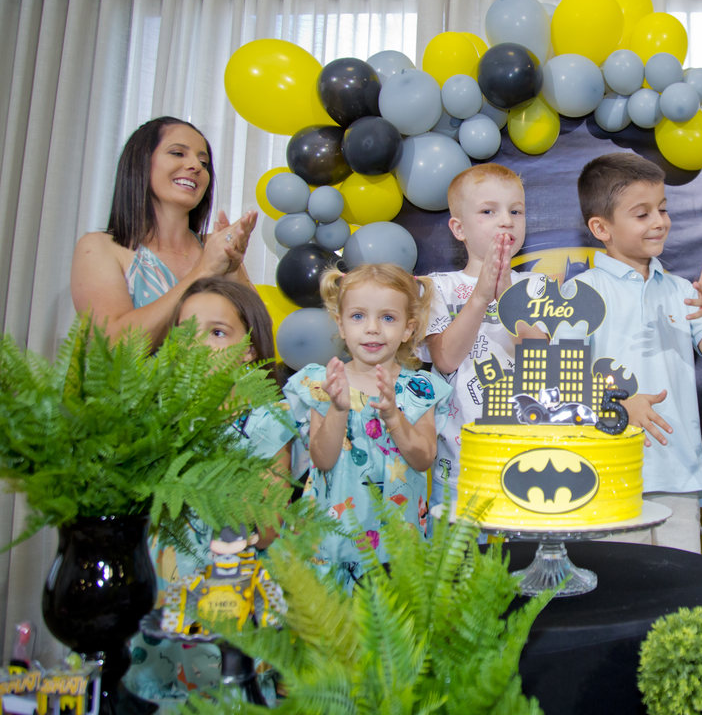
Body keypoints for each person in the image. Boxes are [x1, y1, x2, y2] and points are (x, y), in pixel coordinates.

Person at [126, 277, 293, 701]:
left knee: (224, 696)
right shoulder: (160, 415)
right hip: (164, 589)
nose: (198, 345)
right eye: (186, 333)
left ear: (249, 349)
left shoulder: (267, 419)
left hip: (228, 594)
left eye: (217, 333)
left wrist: (217, 477)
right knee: (155, 692)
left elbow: (268, 527)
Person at [561, 153, 702, 553]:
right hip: (610, 474)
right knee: (624, 580)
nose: (659, 221)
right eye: (642, 214)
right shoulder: (580, 293)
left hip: (678, 475)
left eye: (663, 209)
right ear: (601, 228)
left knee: (681, 582)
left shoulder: (681, 290)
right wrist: (618, 402)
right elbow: (563, 379)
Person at [284, 264, 451, 588]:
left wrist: (394, 417)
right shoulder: (325, 383)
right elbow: (322, 459)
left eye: (387, 318)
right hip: (333, 542)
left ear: (408, 328)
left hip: (397, 545)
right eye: (358, 316)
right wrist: (337, 409)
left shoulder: (419, 388)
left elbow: (423, 458)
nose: (372, 329)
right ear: (341, 325)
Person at [419, 164, 545, 509]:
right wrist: (479, 297)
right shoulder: (437, 287)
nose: (506, 221)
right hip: (459, 469)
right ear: (459, 228)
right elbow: (445, 359)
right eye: (489, 211)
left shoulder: (537, 287)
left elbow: (541, 358)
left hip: (528, 463)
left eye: (515, 211)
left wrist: (506, 295)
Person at [70, 116, 256, 346]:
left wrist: (232, 271)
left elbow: (258, 345)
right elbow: (113, 345)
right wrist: (204, 270)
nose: (196, 166)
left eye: (204, 162)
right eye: (178, 153)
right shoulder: (100, 248)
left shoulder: (216, 248)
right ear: (141, 163)